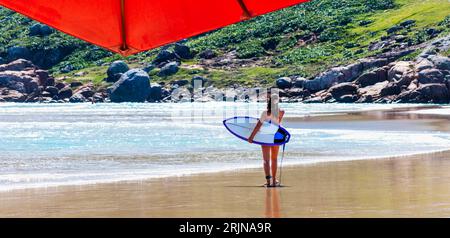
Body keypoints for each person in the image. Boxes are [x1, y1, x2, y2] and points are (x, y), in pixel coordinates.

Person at [248, 89, 285, 187]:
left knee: (266, 160)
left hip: (265, 138)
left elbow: (258, 127)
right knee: (274, 159)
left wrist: (251, 137)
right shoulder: (281, 112)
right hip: (275, 138)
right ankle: (274, 180)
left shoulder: (265, 113)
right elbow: (277, 125)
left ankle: (269, 181)